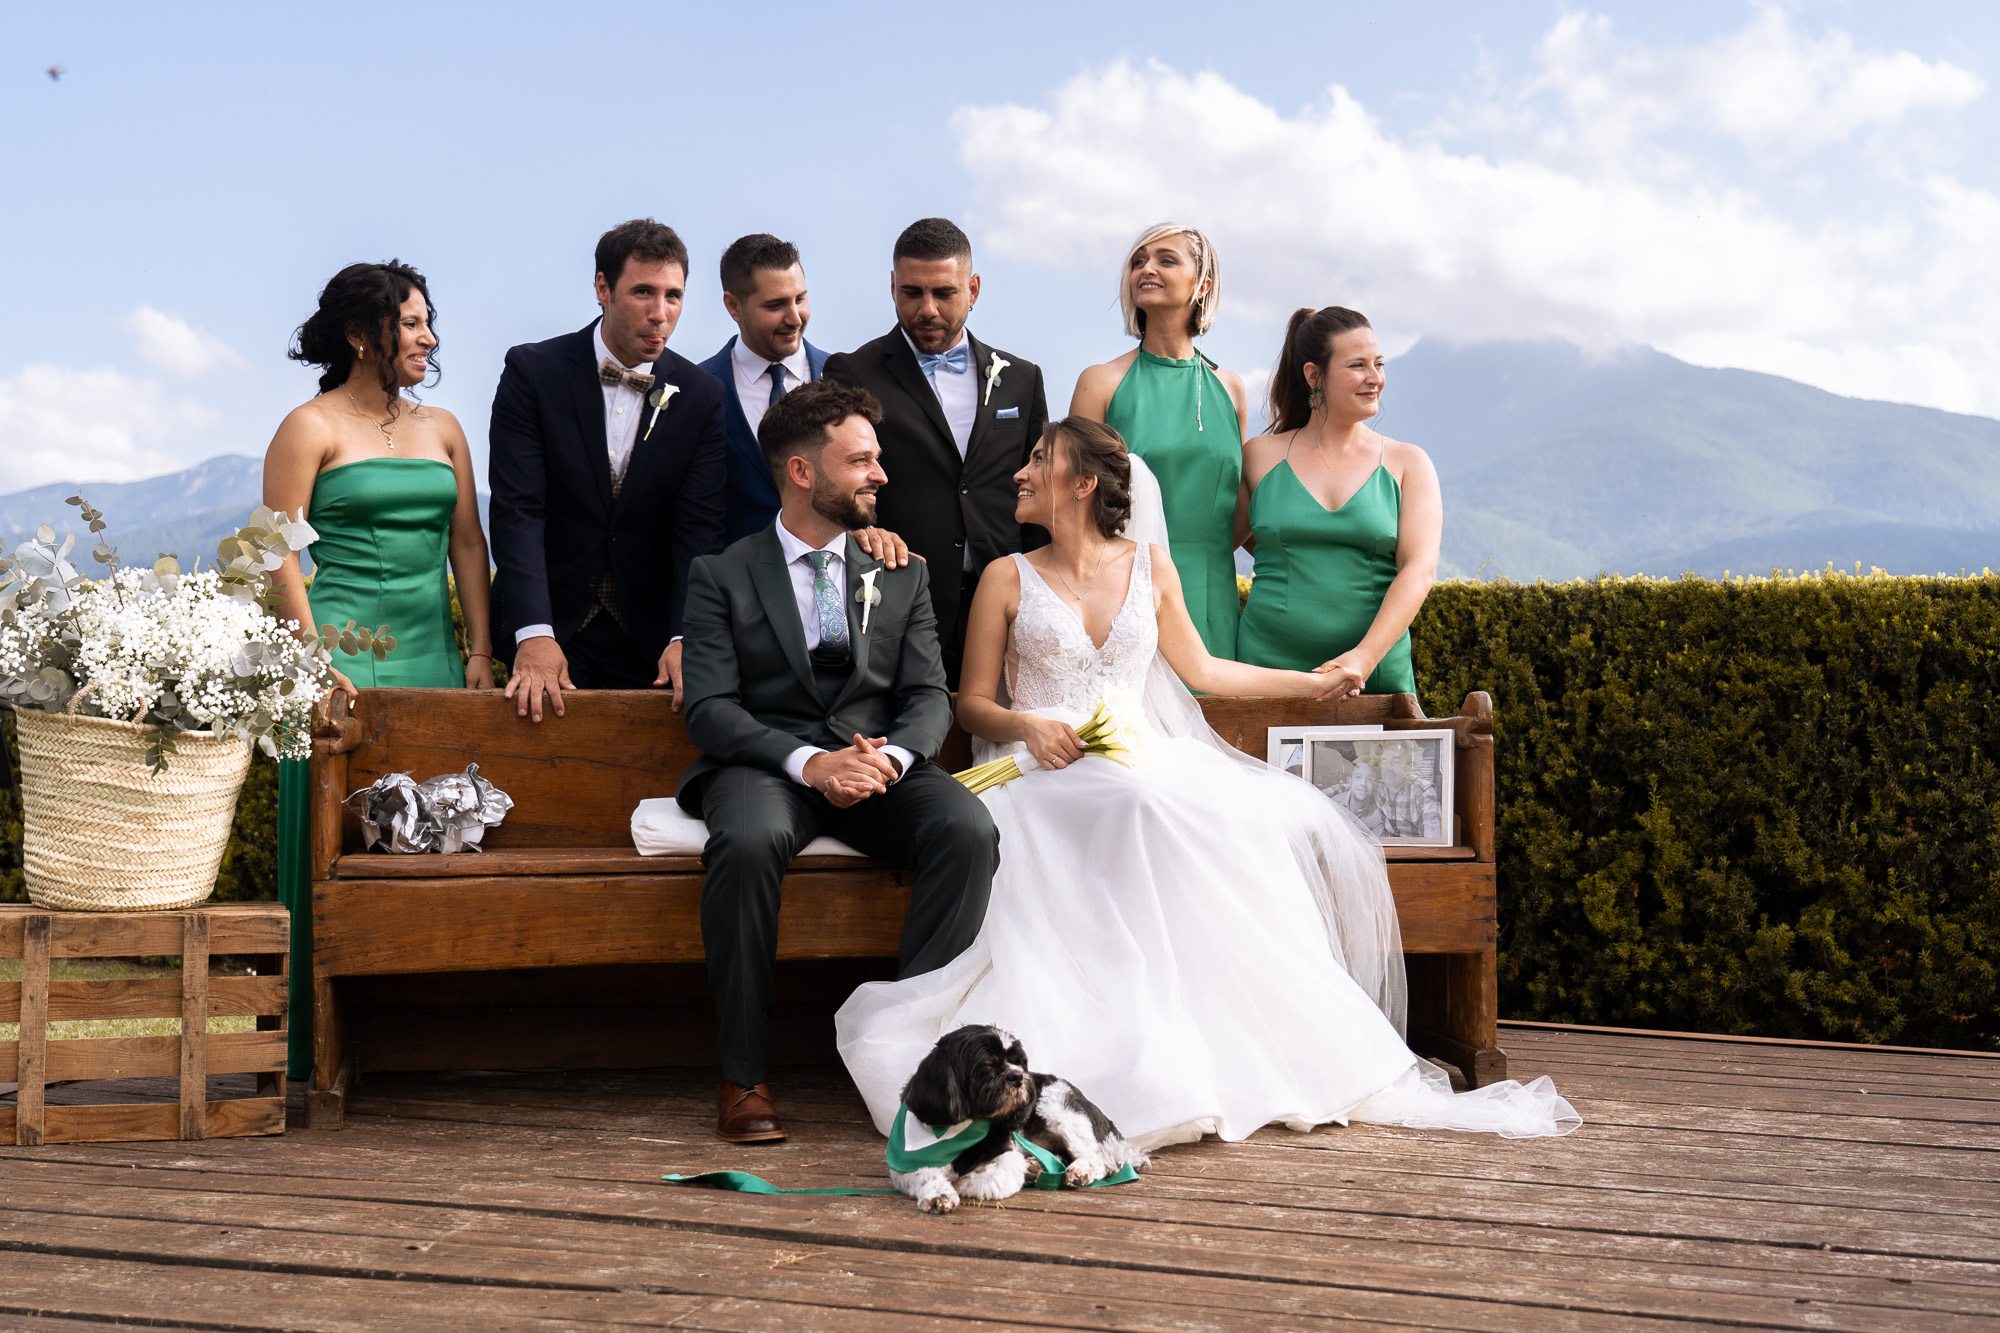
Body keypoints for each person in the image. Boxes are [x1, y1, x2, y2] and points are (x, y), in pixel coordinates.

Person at [836, 417, 1578, 1149]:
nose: (1020, 473)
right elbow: (971, 703)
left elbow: (1204, 671)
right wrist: (1028, 726)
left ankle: (1214, 1038)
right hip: (1039, 774)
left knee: (1211, 813)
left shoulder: (1151, 567)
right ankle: (1125, 1034)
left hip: (1135, 764)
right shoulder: (1007, 576)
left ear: (1083, 483)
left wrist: (1312, 682)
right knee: (1140, 802)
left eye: (1038, 459)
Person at [678, 380, 999, 1144]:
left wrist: (891, 758)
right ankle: (743, 1076)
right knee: (746, 842)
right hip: (767, 765)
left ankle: (911, 1058)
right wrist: (809, 763)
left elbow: (929, 695)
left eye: (876, 458)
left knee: (968, 829)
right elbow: (710, 709)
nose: (879, 473)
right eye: (860, 460)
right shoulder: (721, 574)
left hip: (877, 762)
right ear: (801, 471)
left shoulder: (901, 569)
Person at [267, 260, 494, 1078]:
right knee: (336, 846)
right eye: (413, 322)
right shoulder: (308, 427)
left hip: (435, 660)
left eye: (430, 321)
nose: (430, 337)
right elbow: (275, 555)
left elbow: (467, 542)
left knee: (437, 845)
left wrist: (479, 650)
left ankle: (425, 1040)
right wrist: (313, 659)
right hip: (341, 664)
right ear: (364, 335)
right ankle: (318, 1040)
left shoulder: (445, 428)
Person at [488, 219, 726, 715]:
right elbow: (518, 511)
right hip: (551, 626)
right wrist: (534, 632)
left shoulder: (701, 395)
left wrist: (686, 636)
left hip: (651, 640)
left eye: (674, 296)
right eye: (643, 292)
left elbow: (698, 529)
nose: (660, 313)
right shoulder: (533, 372)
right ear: (603, 288)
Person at [823, 217, 1049, 686]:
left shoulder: (1023, 379)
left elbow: (1039, 493)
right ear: (892, 287)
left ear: (973, 289)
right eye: (912, 292)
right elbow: (838, 488)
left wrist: (1041, 594)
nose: (927, 309)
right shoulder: (852, 372)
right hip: (895, 600)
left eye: (944, 293)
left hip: (1007, 602)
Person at [1237, 306, 1441, 698]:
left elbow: (1419, 570)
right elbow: (1215, 547)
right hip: (1265, 667)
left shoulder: (1408, 463)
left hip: (1373, 674)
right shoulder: (1259, 456)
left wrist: (1363, 658)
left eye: (1379, 363)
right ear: (1314, 375)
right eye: (1358, 365)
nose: (1375, 378)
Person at [1070, 223, 1250, 660]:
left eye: (1166, 260)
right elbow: (1073, 504)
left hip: (1212, 594)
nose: (1146, 269)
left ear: (1203, 285)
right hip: (1124, 597)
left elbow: (1239, 505)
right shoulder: (1100, 383)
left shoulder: (1230, 389)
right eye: (1138, 261)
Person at [698, 234, 831, 544]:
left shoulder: (844, 375)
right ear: (733, 306)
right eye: (775, 305)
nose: (794, 318)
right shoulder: (698, 389)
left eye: (800, 299)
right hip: (734, 570)